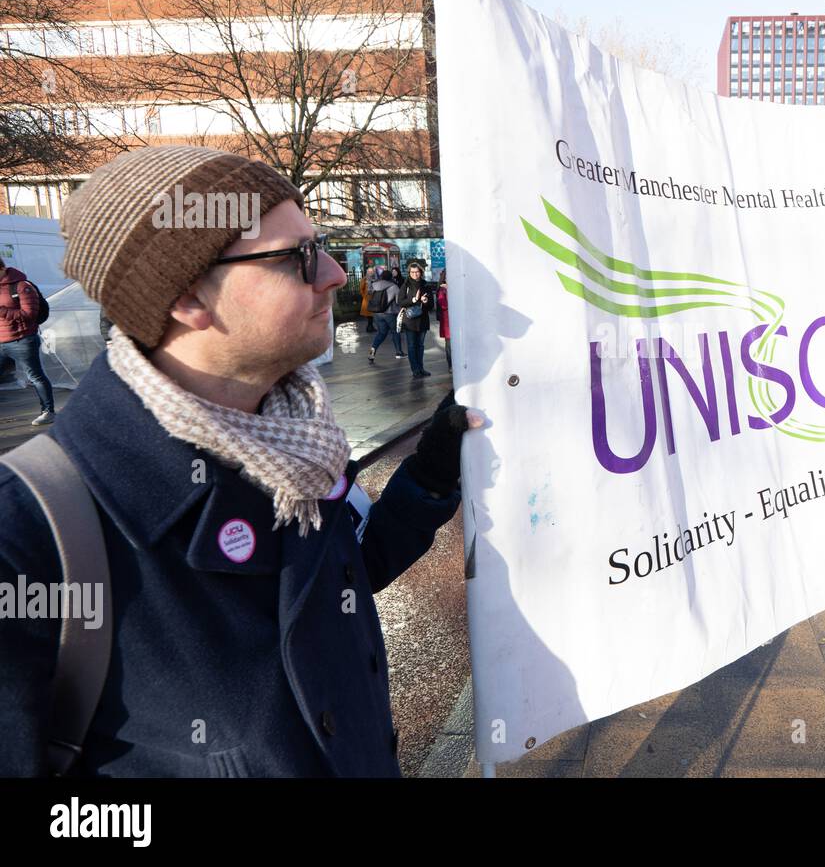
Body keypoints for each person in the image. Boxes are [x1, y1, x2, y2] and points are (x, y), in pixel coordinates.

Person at [0, 145, 482, 776]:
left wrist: (429, 476)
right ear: (186, 296)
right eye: (298, 258)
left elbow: (340, 582)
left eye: (323, 243)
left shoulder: (295, 441)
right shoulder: (29, 533)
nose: (335, 273)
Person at [0, 256, 56, 426]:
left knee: (35, 376)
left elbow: (29, 314)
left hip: (22, 341)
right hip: (1, 342)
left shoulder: (22, 286)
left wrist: (3, 311)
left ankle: (48, 412)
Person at [398, 260, 433, 378]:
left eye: (417, 272)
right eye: (412, 272)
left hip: (422, 320)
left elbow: (432, 305)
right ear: (409, 273)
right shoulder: (406, 285)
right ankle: (415, 370)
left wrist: (426, 301)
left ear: (421, 272)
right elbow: (400, 302)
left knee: (420, 346)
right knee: (412, 346)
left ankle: (421, 368)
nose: (415, 274)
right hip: (410, 321)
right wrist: (413, 300)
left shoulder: (425, 285)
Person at [366, 268, 403, 363]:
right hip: (390, 313)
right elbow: (398, 301)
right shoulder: (394, 286)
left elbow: (369, 294)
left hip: (377, 313)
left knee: (381, 333)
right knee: (395, 332)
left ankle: (372, 351)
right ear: (390, 277)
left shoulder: (374, 285)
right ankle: (399, 352)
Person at [437, 269, 451, 369]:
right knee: (449, 344)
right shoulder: (442, 290)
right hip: (448, 322)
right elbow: (443, 305)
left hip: (454, 322)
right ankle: (451, 365)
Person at [359, 266, 376, 333]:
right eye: (369, 271)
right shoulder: (364, 279)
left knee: (371, 316)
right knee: (369, 316)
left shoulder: (374, 279)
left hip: (373, 299)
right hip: (367, 300)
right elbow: (361, 289)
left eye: (372, 271)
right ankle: (369, 327)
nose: (370, 273)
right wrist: (365, 296)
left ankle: (370, 327)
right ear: (367, 272)